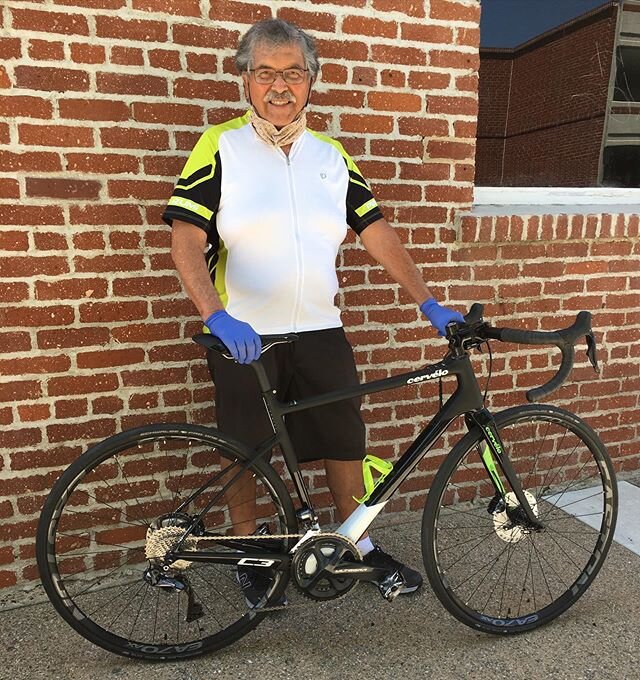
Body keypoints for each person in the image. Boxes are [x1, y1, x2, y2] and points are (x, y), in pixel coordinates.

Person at [163, 18, 464, 606]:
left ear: (312, 82)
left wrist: (427, 300)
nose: (281, 87)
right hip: (245, 334)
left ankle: (358, 545)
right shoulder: (219, 145)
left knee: (344, 440)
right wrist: (215, 313)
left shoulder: (332, 155)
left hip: (321, 330)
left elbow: (376, 232)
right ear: (245, 80)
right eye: (266, 73)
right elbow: (184, 238)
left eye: (294, 73)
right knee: (246, 448)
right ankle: (250, 554)